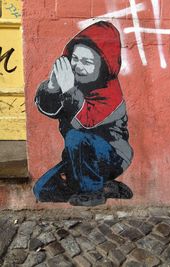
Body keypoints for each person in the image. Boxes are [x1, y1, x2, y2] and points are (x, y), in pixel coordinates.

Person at [33, 21, 133, 206]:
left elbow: (86, 121)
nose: (78, 66)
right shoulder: (70, 82)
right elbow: (50, 110)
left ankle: (93, 192)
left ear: (103, 65)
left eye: (87, 62)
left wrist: (69, 89)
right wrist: (53, 87)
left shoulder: (110, 93)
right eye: (75, 59)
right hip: (78, 157)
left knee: (75, 136)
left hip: (113, 155)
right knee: (42, 190)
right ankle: (104, 186)